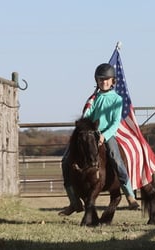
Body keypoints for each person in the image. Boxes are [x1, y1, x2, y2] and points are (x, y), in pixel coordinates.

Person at [58, 63, 139, 216]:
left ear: (113, 81)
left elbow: (115, 122)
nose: (104, 82)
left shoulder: (117, 99)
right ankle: (74, 202)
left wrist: (104, 135)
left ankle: (129, 194)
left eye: (107, 79)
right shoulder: (93, 98)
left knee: (116, 158)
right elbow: (87, 115)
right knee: (65, 161)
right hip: (89, 133)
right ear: (97, 81)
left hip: (106, 134)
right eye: (101, 80)